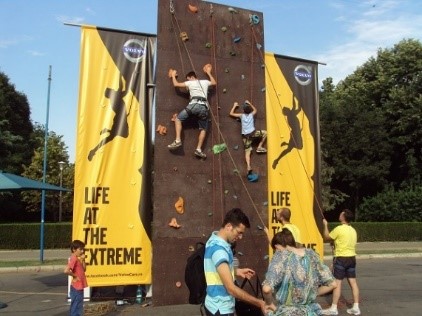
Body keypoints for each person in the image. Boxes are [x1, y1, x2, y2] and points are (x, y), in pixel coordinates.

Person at [204, 208, 272, 316]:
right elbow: (231, 289)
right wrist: (259, 303)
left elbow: (216, 268)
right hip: (221, 309)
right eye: (239, 232)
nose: (240, 237)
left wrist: (236, 271)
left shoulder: (214, 239)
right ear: (229, 226)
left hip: (213, 305)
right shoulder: (219, 250)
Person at [262, 228, 337, 315]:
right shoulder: (311, 254)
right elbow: (333, 284)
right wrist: (309, 293)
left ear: (276, 247)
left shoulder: (280, 256)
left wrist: (269, 303)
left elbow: (266, 289)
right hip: (309, 312)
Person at [168, 64, 217, 159]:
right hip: (204, 108)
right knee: (204, 129)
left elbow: (176, 84)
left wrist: (173, 75)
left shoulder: (190, 83)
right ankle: (198, 149)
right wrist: (208, 73)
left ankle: (178, 140)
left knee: (178, 119)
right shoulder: (205, 82)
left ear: (191, 77)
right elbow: (214, 83)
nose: (188, 81)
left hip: (194, 105)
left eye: (188, 79)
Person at [321, 209, 360, 315]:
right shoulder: (353, 230)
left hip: (341, 259)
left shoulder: (339, 229)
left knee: (337, 284)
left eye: (341, 214)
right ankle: (356, 307)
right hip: (352, 258)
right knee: (353, 282)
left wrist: (325, 225)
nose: (339, 214)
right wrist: (335, 243)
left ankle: (333, 308)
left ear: (343, 217)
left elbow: (326, 237)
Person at [229, 100, 267, 177]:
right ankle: (259, 146)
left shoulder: (241, 116)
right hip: (253, 133)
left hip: (245, 136)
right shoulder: (251, 115)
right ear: (250, 110)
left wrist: (235, 105)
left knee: (247, 151)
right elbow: (255, 110)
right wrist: (250, 103)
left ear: (243, 110)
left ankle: (248, 166)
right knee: (265, 133)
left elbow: (231, 114)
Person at [64, 240, 88, 316]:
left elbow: (84, 269)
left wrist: (83, 260)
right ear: (74, 249)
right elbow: (66, 270)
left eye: (82, 249)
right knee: (76, 306)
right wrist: (74, 276)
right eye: (80, 249)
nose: (82, 251)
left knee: (78, 306)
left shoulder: (78, 259)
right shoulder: (73, 258)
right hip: (76, 287)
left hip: (79, 286)